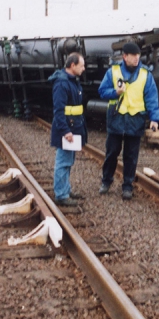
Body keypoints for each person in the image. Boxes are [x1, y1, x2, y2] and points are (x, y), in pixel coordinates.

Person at [98, 41, 159, 200]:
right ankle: (106, 181)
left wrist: (154, 118)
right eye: (133, 56)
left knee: (131, 156)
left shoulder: (145, 74)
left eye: (138, 55)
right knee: (112, 153)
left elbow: (152, 98)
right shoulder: (113, 71)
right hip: (116, 119)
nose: (136, 58)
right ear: (125, 56)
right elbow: (102, 91)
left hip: (135, 120)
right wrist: (115, 92)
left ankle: (127, 186)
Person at [48, 52, 87, 207]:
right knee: (63, 161)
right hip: (67, 130)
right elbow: (58, 110)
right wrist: (66, 131)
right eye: (81, 65)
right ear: (72, 65)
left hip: (73, 128)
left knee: (68, 161)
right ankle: (61, 195)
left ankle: (65, 189)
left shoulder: (71, 81)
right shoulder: (62, 84)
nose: (84, 69)